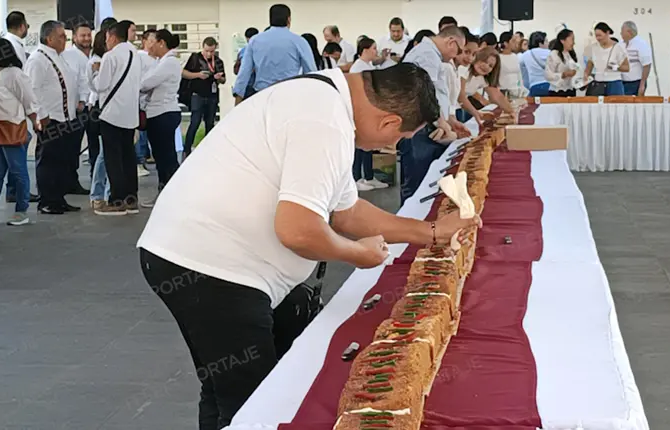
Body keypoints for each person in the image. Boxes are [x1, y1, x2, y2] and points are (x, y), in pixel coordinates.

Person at [137, 62, 480, 430]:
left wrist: (429, 232)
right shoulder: (324, 121)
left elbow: (347, 213)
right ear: (389, 123)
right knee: (251, 401)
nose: (392, 147)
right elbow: (298, 230)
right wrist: (355, 254)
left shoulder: (327, 101)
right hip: (210, 266)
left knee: (230, 389)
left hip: (208, 258)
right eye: (399, 140)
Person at [400, 26, 468, 204]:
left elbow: (439, 94)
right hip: (420, 127)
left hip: (428, 124)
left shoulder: (431, 55)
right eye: (459, 51)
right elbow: (424, 94)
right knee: (418, 184)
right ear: (451, 42)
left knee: (427, 181)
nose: (456, 56)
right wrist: (440, 121)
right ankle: (409, 227)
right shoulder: (427, 55)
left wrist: (449, 119)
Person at [25, 20, 84, 215]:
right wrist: (41, 117)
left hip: (64, 118)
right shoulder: (37, 59)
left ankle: (58, 198)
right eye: (61, 36)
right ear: (49, 38)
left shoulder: (58, 57)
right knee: (48, 161)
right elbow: (32, 90)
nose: (64, 40)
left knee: (61, 161)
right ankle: (47, 200)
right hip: (50, 119)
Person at [0, 39, 40, 227]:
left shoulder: (15, 75)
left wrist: (36, 124)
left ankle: (21, 211)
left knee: (18, 172)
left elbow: (29, 101)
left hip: (12, 127)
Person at [92, 21, 143, 215]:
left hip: (111, 114)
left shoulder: (110, 56)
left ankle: (116, 200)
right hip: (130, 113)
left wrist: (94, 72)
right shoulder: (135, 55)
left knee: (113, 158)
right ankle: (131, 198)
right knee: (128, 156)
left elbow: (101, 86)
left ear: (112, 36)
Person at [234, 5, 315, 103]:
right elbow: (311, 72)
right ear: (288, 19)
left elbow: (244, 72)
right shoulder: (299, 41)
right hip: (289, 94)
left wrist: (238, 98)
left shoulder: (255, 41)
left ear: (270, 19)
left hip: (262, 95)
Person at [140, 29, 182, 207]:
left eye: (153, 42)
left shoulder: (169, 62)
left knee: (166, 158)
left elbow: (145, 83)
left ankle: (171, 195)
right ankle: (166, 194)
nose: (150, 46)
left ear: (162, 43)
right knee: (162, 157)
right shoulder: (163, 61)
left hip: (163, 112)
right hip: (159, 113)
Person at [1, 11, 40, 204]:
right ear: (22, 26)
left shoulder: (7, 42)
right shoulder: (12, 45)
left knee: (13, 150)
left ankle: (13, 189)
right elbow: (21, 79)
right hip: (15, 107)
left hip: (9, 106)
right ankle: (16, 191)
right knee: (18, 149)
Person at [349, 38, 387, 191]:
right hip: (360, 111)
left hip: (370, 109)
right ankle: (357, 178)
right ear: (364, 50)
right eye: (373, 48)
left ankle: (369, 176)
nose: (375, 51)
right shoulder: (358, 68)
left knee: (368, 146)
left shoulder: (368, 66)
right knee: (360, 146)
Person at [61, 22, 93, 195]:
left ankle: (97, 180)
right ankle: (70, 182)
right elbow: (73, 81)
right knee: (73, 146)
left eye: (88, 35)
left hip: (95, 107)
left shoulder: (96, 54)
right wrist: (80, 101)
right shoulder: (68, 55)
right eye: (83, 35)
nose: (86, 38)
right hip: (79, 108)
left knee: (95, 146)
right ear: (74, 37)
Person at [182, 37, 225, 155]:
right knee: (195, 122)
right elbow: (184, 73)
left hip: (212, 95)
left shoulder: (218, 61)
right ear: (203, 47)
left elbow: (223, 80)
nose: (209, 54)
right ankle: (187, 149)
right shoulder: (195, 58)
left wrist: (219, 78)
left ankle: (209, 150)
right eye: (207, 51)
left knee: (210, 123)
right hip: (197, 94)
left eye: (212, 51)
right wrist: (198, 75)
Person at [87, 31, 111, 211]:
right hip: (99, 108)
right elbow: (96, 88)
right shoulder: (96, 61)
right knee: (103, 154)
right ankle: (98, 194)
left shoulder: (110, 60)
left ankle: (107, 193)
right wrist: (97, 73)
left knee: (108, 153)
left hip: (108, 108)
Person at [458, 47, 514, 122]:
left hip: (457, 109)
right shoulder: (464, 69)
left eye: (490, 66)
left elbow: (497, 96)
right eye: (484, 61)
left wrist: (512, 112)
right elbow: (460, 97)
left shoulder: (482, 79)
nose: (486, 66)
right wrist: (476, 113)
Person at [135, 29, 158, 178]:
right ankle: (139, 162)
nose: (154, 44)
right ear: (144, 41)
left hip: (153, 103)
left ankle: (146, 157)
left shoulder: (157, 59)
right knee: (140, 134)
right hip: (141, 100)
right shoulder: (140, 57)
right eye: (151, 40)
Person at [583, 22, 628, 96]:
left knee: (616, 106)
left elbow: (627, 67)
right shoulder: (593, 48)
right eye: (596, 36)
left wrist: (615, 67)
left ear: (607, 33)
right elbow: (589, 67)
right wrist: (585, 76)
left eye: (600, 35)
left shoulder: (618, 48)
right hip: (598, 84)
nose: (598, 38)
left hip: (614, 83)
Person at [619, 21, 652, 96]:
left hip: (635, 82)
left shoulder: (641, 44)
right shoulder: (621, 44)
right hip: (622, 82)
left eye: (622, 31)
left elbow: (646, 65)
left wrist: (642, 85)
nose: (621, 34)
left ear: (629, 32)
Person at [545, 29, 579, 97]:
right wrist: (564, 74)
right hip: (558, 92)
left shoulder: (570, 55)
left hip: (571, 90)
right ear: (562, 40)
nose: (574, 43)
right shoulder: (554, 54)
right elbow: (548, 75)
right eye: (572, 39)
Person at [519, 31, 550, 97]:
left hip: (534, 86)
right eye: (546, 41)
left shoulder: (526, 54)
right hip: (550, 86)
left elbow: (519, 65)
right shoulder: (550, 53)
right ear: (540, 43)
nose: (548, 43)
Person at [498, 31, 525, 98]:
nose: (516, 43)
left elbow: (519, 74)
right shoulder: (498, 57)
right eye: (513, 41)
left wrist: (521, 87)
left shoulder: (515, 56)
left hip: (516, 91)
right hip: (503, 91)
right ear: (506, 43)